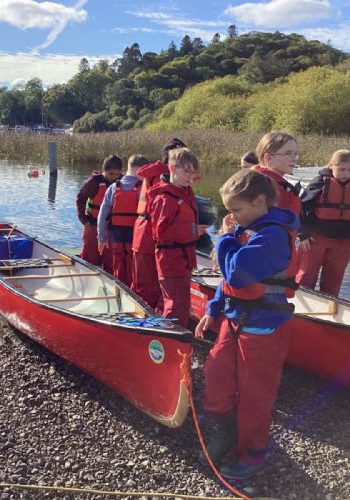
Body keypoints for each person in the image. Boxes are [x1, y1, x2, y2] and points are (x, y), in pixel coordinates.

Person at [195, 169, 300, 480]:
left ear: (259, 201)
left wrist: (225, 238)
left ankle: (254, 453)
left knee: (256, 394)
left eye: (236, 209)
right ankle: (227, 430)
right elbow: (227, 282)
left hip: (264, 328)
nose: (231, 216)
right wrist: (213, 309)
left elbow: (237, 273)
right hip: (234, 320)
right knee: (216, 375)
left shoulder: (272, 236)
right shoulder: (246, 229)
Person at [147, 147, 204, 327]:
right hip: (171, 259)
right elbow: (161, 233)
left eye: (193, 172)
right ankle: (171, 336)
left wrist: (195, 230)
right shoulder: (165, 198)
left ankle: (170, 330)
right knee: (176, 304)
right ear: (172, 168)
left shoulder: (184, 191)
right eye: (186, 171)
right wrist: (193, 231)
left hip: (184, 257)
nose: (190, 176)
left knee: (179, 302)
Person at [132, 138, 187, 309]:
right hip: (153, 234)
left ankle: (147, 315)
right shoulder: (167, 177)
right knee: (152, 287)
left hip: (141, 231)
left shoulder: (153, 172)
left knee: (143, 285)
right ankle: (152, 320)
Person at [297, 150, 350, 296]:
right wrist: (302, 234)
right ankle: (301, 304)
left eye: (349, 170)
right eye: (342, 169)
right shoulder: (319, 183)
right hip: (315, 238)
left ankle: (329, 305)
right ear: (332, 166)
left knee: (333, 280)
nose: (346, 173)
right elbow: (301, 207)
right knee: (306, 276)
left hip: (343, 241)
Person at [97, 155, 149, 287]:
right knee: (134, 266)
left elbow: (102, 215)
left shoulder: (113, 187)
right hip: (135, 235)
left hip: (116, 234)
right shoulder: (144, 188)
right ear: (141, 170)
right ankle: (133, 292)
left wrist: (102, 238)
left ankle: (119, 289)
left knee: (118, 264)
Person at [76, 155, 123, 273]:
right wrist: (83, 220)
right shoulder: (94, 182)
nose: (114, 177)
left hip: (111, 228)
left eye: (117, 174)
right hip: (92, 224)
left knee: (110, 259)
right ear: (103, 171)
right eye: (111, 174)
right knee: (90, 256)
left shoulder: (122, 182)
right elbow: (80, 199)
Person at [252, 131, 302, 215]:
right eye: (288, 154)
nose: (294, 159)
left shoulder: (277, 184)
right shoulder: (261, 186)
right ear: (268, 158)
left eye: (295, 154)